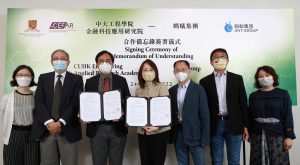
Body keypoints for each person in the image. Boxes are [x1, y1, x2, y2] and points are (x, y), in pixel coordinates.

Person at [30, 49, 83, 165]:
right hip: (47, 129)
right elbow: (39, 101)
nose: (59, 61)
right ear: (51, 62)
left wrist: (60, 123)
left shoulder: (77, 79)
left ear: (68, 62)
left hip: (68, 129)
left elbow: (75, 102)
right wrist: (50, 123)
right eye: (56, 58)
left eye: (63, 59)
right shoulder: (43, 78)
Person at [199, 48, 249, 165]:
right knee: (216, 160)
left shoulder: (237, 79)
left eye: (223, 56)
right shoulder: (204, 81)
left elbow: (243, 103)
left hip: (234, 124)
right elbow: (203, 107)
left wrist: (246, 126)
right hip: (215, 124)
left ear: (227, 60)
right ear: (211, 62)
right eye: (216, 57)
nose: (219, 59)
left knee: (234, 160)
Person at [85, 50, 131, 165]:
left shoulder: (121, 80)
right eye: (101, 61)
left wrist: (122, 112)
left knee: (116, 162)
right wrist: (84, 113)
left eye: (107, 61)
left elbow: (128, 102)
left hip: (117, 128)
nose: (104, 63)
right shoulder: (90, 82)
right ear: (96, 64)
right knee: (98, 162)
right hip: (97, 129)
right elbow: (86, 103)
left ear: (112, 64)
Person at [248, 65, 296, 165]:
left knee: (278, 162)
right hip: (257, 136)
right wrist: (249, 133)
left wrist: (289, 137)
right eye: (260, 76)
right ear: (257, 79)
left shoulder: (283, 94)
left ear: (273, 77)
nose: (264, 78)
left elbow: (288, 116)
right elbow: (250, 117)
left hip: (278, 135)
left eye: (267, 75)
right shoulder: (254, 96)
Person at [169, 60, 210, 165]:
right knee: (182, 163)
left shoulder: (199, 89)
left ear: (189, 71)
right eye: (177, 70)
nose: (180, 72)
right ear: (174, 72)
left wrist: (205, 138)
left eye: (183, 69)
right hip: (178, 133)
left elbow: (205, 115)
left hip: (196, 135)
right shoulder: (172, 90)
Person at [0, 65, 39, 165]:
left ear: (32, 78)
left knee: (33, 162)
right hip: (13, 134)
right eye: (20, 75)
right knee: (11, 161)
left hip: (32, 135)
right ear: (15, 77)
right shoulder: (7, 98)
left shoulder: (37, 97)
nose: (23, 77)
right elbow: (4, 117)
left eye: (27, 75)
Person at [135, 59, 170, 165]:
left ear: (155, 71)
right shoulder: (138, 89)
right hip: (143, 132)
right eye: (145, 70)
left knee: (157, 161)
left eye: (151, 69)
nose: (148, 72)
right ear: (141, 73)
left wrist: (157, 126)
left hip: (159, 132)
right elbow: (136, 112)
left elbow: (165, 110)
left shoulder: (161, 86)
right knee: (145, 161)